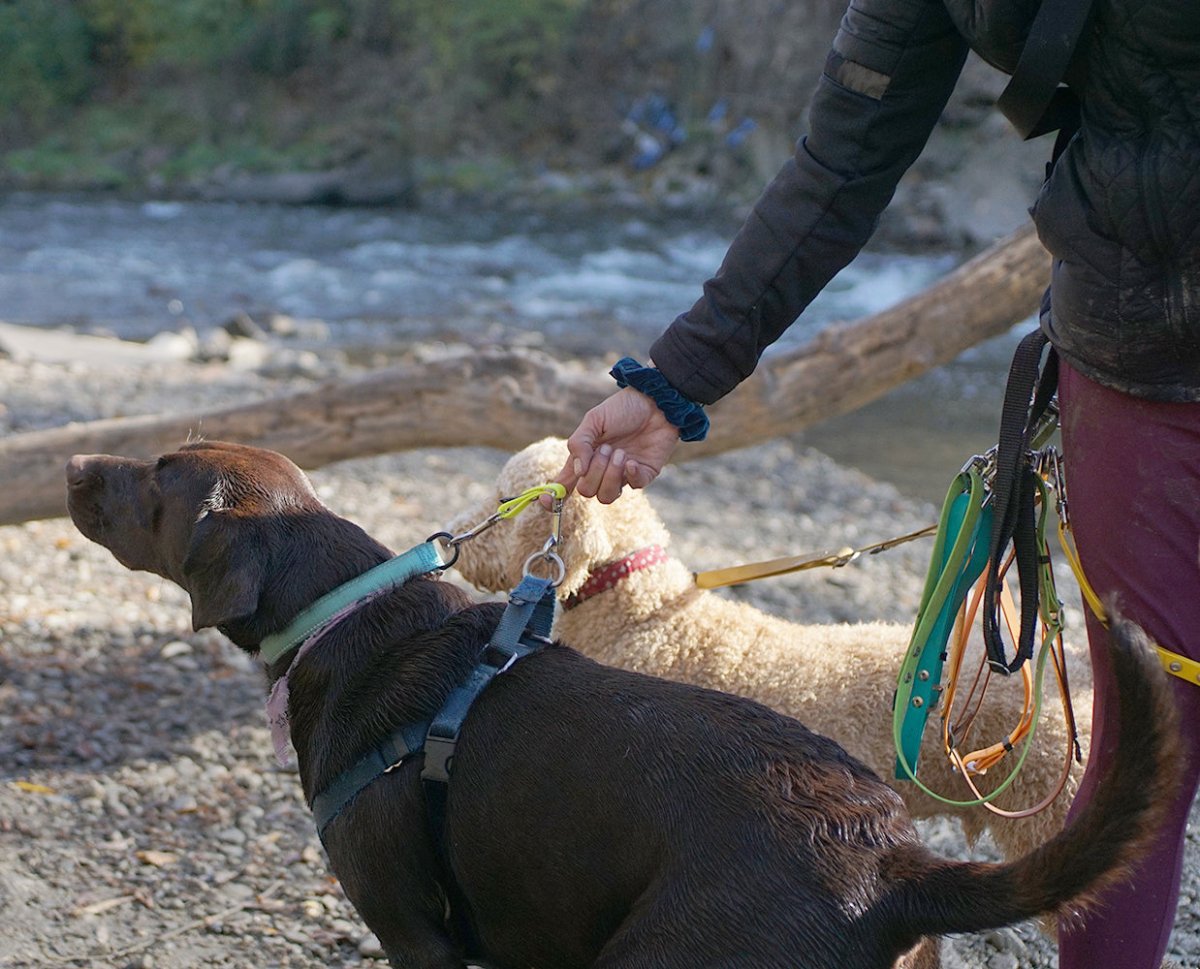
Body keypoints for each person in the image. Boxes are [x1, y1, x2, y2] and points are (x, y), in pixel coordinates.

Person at [552, 2, 1200, 967]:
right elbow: (844, 159)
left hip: (1129, 322)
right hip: (1133, 350)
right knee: (1152, 726)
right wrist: (677, 380)